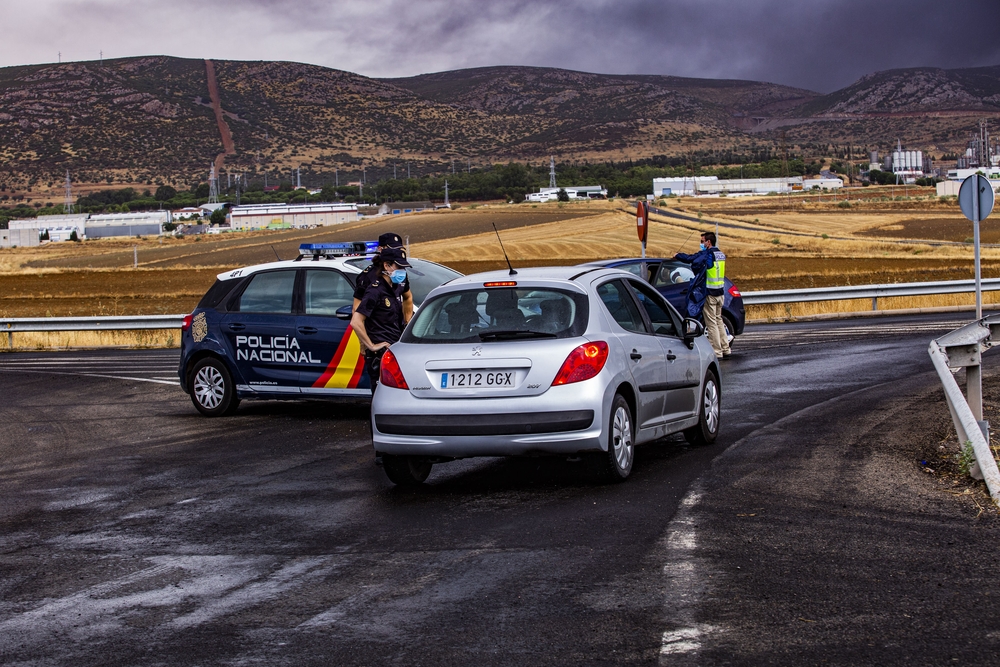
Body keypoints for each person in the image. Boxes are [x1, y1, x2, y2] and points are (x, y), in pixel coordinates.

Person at [350, 246, 411, 395]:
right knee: (382, 398)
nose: (403, 271)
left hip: (395, 350)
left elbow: (407, 300)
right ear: (387, 265)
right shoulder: (375, 290)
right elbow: (356, 321)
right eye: (399, 267)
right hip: (380, 356)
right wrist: (371, 345)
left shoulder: (395, 287)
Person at [675, 231, 730, 359]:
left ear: (708, 242)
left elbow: (691, 259)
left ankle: (717, 351)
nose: (701, 244)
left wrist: (677, 255)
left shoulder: (708, 254)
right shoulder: (721, 254)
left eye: (702, 241)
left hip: (710, 292)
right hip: (720, 292)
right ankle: (726, 348)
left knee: (711, 323)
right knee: (719, 320)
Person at [354, 232, 413, 325]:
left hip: (396, 333)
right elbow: (357, 311)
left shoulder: (399, 273)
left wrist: (407, 322)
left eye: (399, 249)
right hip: (378, 336)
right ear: (380, 249)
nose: (396, 253)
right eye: (392, 249)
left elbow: (408, 297)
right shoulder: (368, 276)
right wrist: (368, 338)